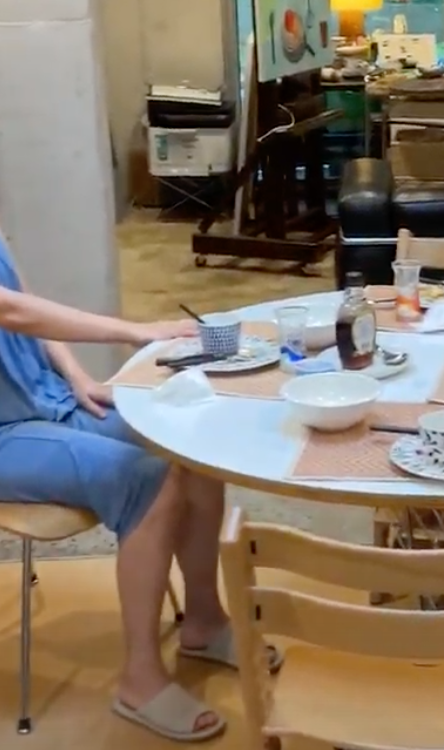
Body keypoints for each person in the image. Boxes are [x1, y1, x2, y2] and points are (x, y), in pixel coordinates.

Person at [0, 227, 239, 741]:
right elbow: (11, 310)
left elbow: (23, 303)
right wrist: (137, 331)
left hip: (46, 400)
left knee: (192, 441)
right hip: (5, 433)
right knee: (143, 481)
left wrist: (77, 377)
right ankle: (139, 680)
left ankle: (204, 620)